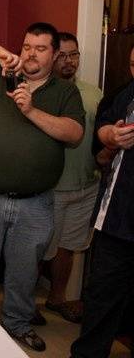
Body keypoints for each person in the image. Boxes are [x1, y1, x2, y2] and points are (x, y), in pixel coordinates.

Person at [0, 22, 85, 351]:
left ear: (54, 55)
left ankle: (16, 323)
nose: (31, 53)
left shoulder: (64, 91)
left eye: (40, 48)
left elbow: (74, 133)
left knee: (24, 273)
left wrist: (31, 110)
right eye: (27, 46)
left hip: (35, 203)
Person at [40, 32, 102, 323]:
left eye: (73, 54)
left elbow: (103, 137)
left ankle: (56, 299)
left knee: (68, 247)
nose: (68, 61)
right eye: (62, 55)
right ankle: (24, 304)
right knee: (37, 248)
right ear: (52, 57)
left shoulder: (94, 93)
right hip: (49, 187)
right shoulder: (43, 92)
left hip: (86, 185)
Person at [70, 79, 134, 358]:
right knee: (101, 297)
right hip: (118, 217)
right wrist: (110, 135)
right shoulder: (128, 92)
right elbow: (104, 129)